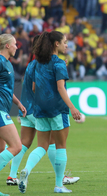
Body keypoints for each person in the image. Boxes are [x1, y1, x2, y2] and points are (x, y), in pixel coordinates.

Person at [6, 36, 79, 187]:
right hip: (48, 108)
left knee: (27, 144)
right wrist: (72, 107)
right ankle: (60, 181)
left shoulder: (33, 64)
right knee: (56, 145)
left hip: (31, 107)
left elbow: (32, 87)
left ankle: (13, 175)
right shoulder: (55, 63)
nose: (66, 45)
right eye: (64, 42)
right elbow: (58, 87)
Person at [0, 34, 26, 196]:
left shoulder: (8, 63)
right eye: (15, 44)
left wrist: (18, 103)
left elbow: (7, 90)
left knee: (2, 149)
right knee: (16, 146)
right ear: (7, 46)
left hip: (4, 108)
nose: (17, 47)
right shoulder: (0, 61)